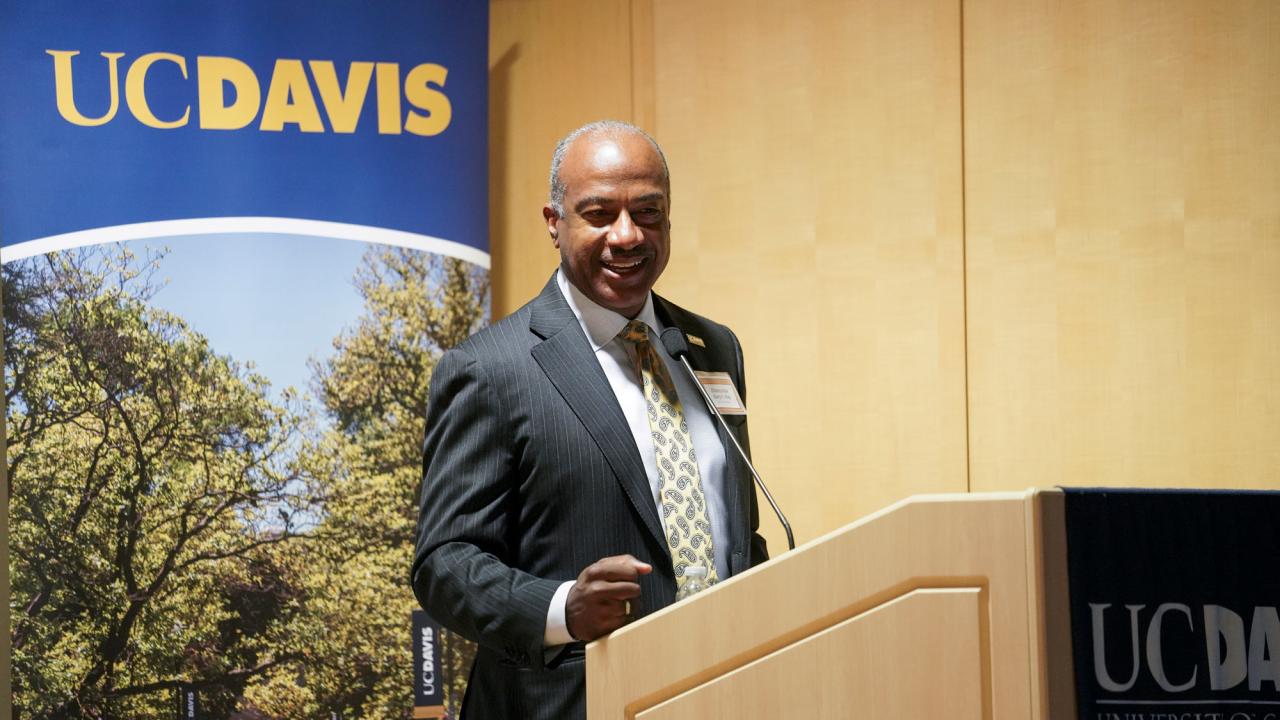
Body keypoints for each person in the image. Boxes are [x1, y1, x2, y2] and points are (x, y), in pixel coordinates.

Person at [411, 120, 768, 719]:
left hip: (720, 693)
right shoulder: (489, 370)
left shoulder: (713, 347)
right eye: (600, 214)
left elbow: (733, 532)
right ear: (555, 223)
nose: (627, 236)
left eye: (648, 213)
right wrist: (561, 608)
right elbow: (444, 565)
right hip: (572, 702)